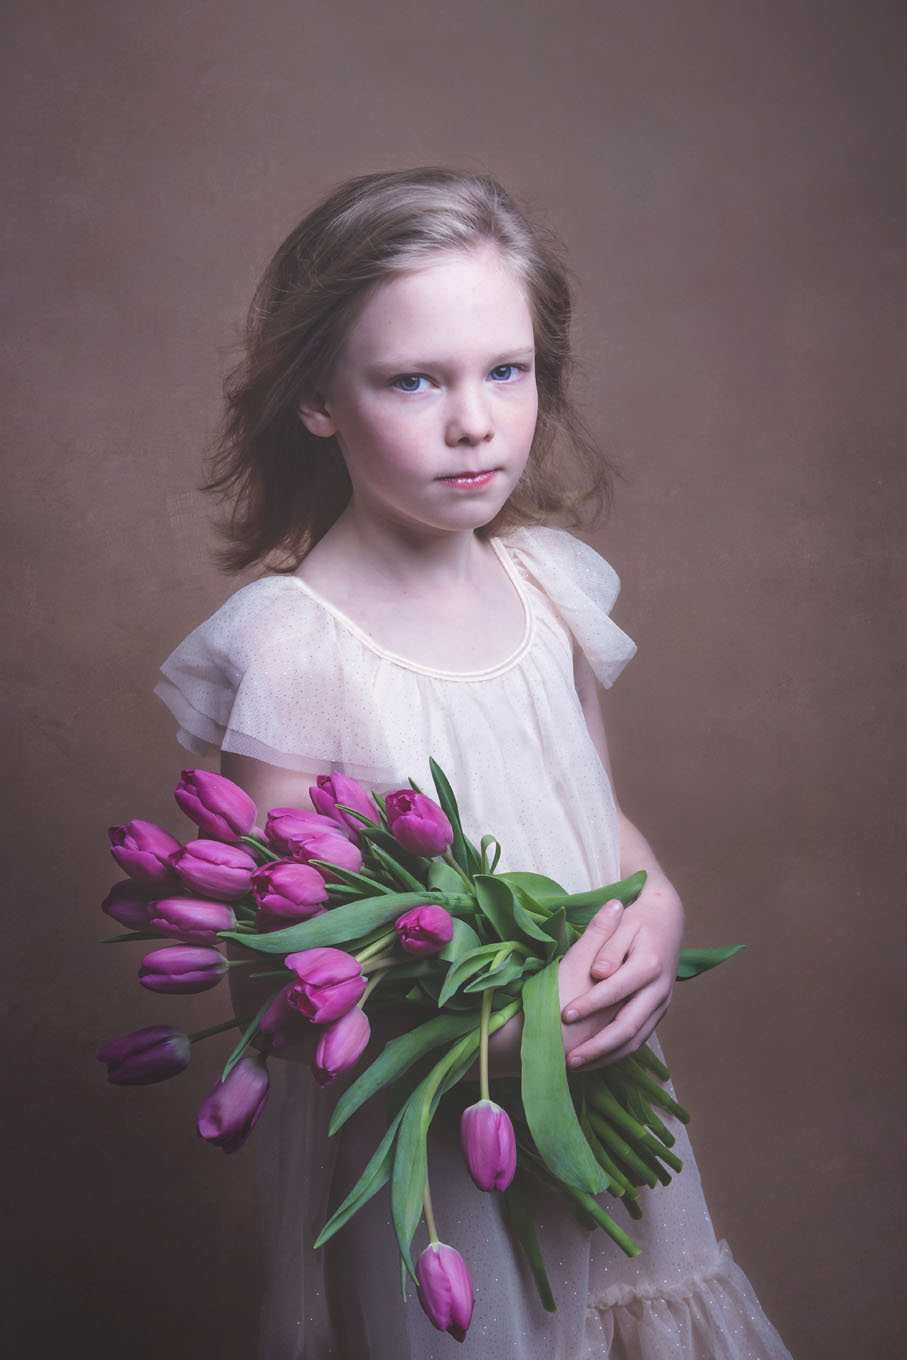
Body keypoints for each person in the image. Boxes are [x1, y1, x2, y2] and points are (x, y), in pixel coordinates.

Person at [155, 167, 791, 1358]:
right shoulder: (297, 650)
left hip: (593, 1077)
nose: (474, 420)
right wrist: (502, 1031)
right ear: (315, 401)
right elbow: (284, 978)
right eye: (414, 380)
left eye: (507, 370)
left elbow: (602, 821)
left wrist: (652, 900)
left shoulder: (545, 587)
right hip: (446, 1137)